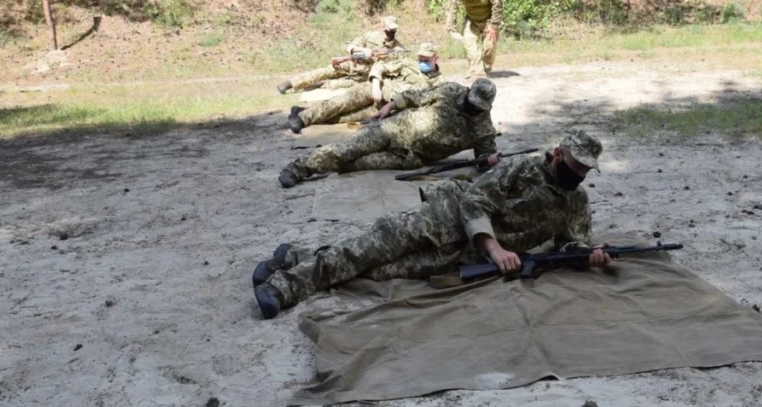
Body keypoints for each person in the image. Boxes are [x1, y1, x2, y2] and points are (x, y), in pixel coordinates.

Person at [254, 130, 609, 319]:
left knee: (382, 272)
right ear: (559, 153)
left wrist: (587, 254)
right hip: (444, 217)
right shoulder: (522, 169)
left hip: (467, 256)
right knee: (369, 249)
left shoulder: (576, 201)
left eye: (585, 170)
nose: (578, 175)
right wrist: (496, 248)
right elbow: (474, 200)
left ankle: (295, 256)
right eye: (575, 165)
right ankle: (284, 286)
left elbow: (571, 241)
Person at [277, 78, 500, 188]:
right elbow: (414, 96)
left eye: (479, 107)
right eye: (472, 103)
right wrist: (389, 106)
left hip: (409, 158)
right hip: (392, 130)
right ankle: (299, 167)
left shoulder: (484, 128)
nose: (473, 109)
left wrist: (488, 161)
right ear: (468, 91)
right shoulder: (451, 91)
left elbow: (483, 158)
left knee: (355, 164)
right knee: (348, 150)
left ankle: (320, 158)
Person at [286, 43, 444, 134]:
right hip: (375, 89)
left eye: (426, 59)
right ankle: (302, 118)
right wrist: (375, 84)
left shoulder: (439, 82)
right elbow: (380, 65)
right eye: (420, 58)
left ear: (436, 58)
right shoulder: (408, 64)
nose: (422, 61)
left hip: (386, 107)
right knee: (342, 103)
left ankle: (303, 110)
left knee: (343, 118)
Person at [276, 16, 408, 94]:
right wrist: (363, 51)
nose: (391, 32)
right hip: (353, 64)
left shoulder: (398, 49)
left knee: (336, 86)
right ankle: (290, 84)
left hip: (364, 77)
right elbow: (350, 46)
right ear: (383, 27)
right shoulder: (369, 36)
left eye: (393, 30)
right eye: (389, 29)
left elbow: (399, 69)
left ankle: (317, 85)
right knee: (325, 71)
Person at [445, 0, 503, 79]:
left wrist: (494, 25)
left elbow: (497, 5)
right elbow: (452, 7)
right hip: (471, 21)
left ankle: (486, 68)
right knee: (471, 48)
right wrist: (452, 29)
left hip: (488, 21)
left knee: (489, 48)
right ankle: (477, 73)